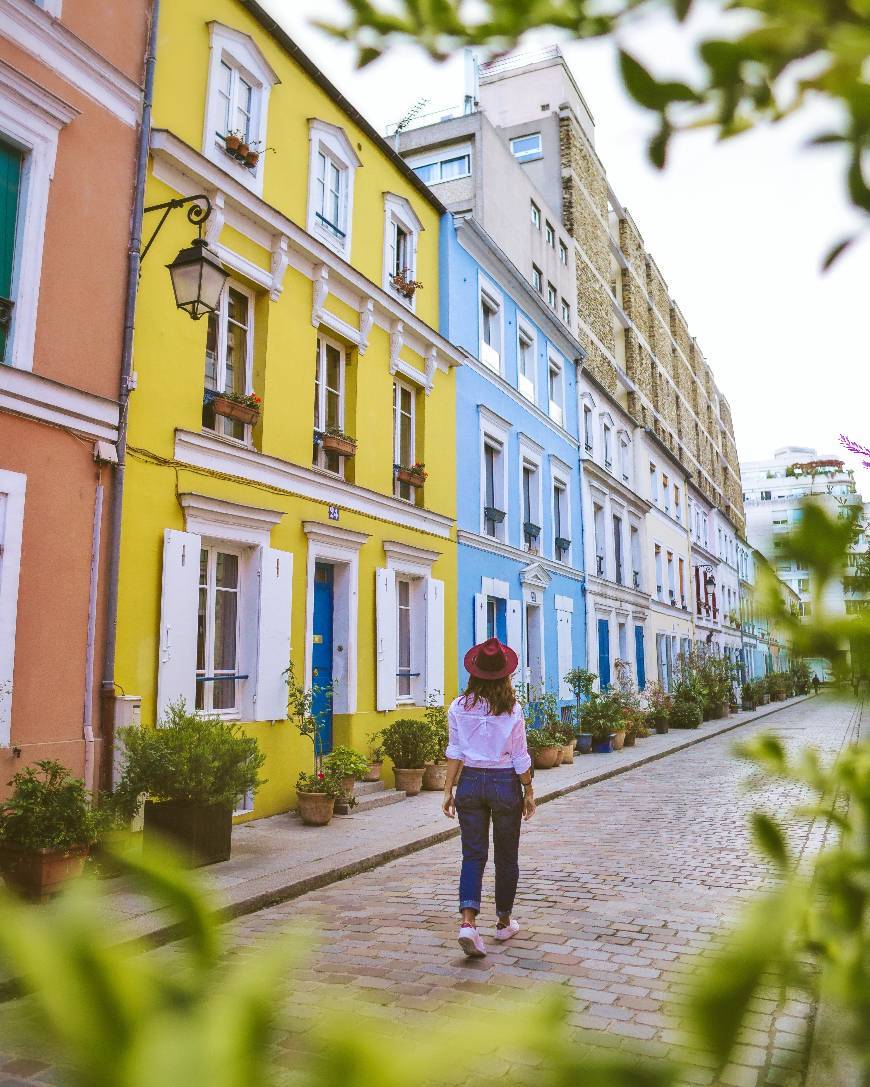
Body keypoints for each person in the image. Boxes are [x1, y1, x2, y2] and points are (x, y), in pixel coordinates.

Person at [441, 637, 535, 958]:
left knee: (473, 854)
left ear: (475, 672)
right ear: (505, 676)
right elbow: (520, 756)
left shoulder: (458, 706)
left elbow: (455, 752)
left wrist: (447, 789)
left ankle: (468, 923)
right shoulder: (513, 709)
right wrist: (529, 790)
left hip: (469, 782)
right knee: (506, 855)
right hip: (503, 782)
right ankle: (503, 921)